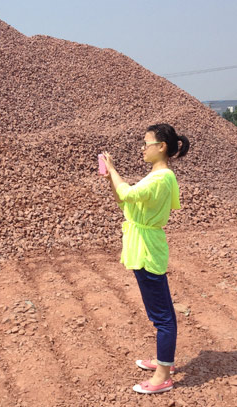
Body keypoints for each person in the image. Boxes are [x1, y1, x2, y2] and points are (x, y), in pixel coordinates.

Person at [100, 123, 190, 394]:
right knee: (157, 312)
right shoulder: (156, 177)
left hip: (148, 249)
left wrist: (113, 170)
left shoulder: (161, 178)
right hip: (143, 246)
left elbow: (128, 193)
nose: (142, 148)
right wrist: (111, 180)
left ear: (161, 147)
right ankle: (164, 362)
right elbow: (125, 201)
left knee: (162, 316)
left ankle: (163, 375)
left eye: (146, 143)